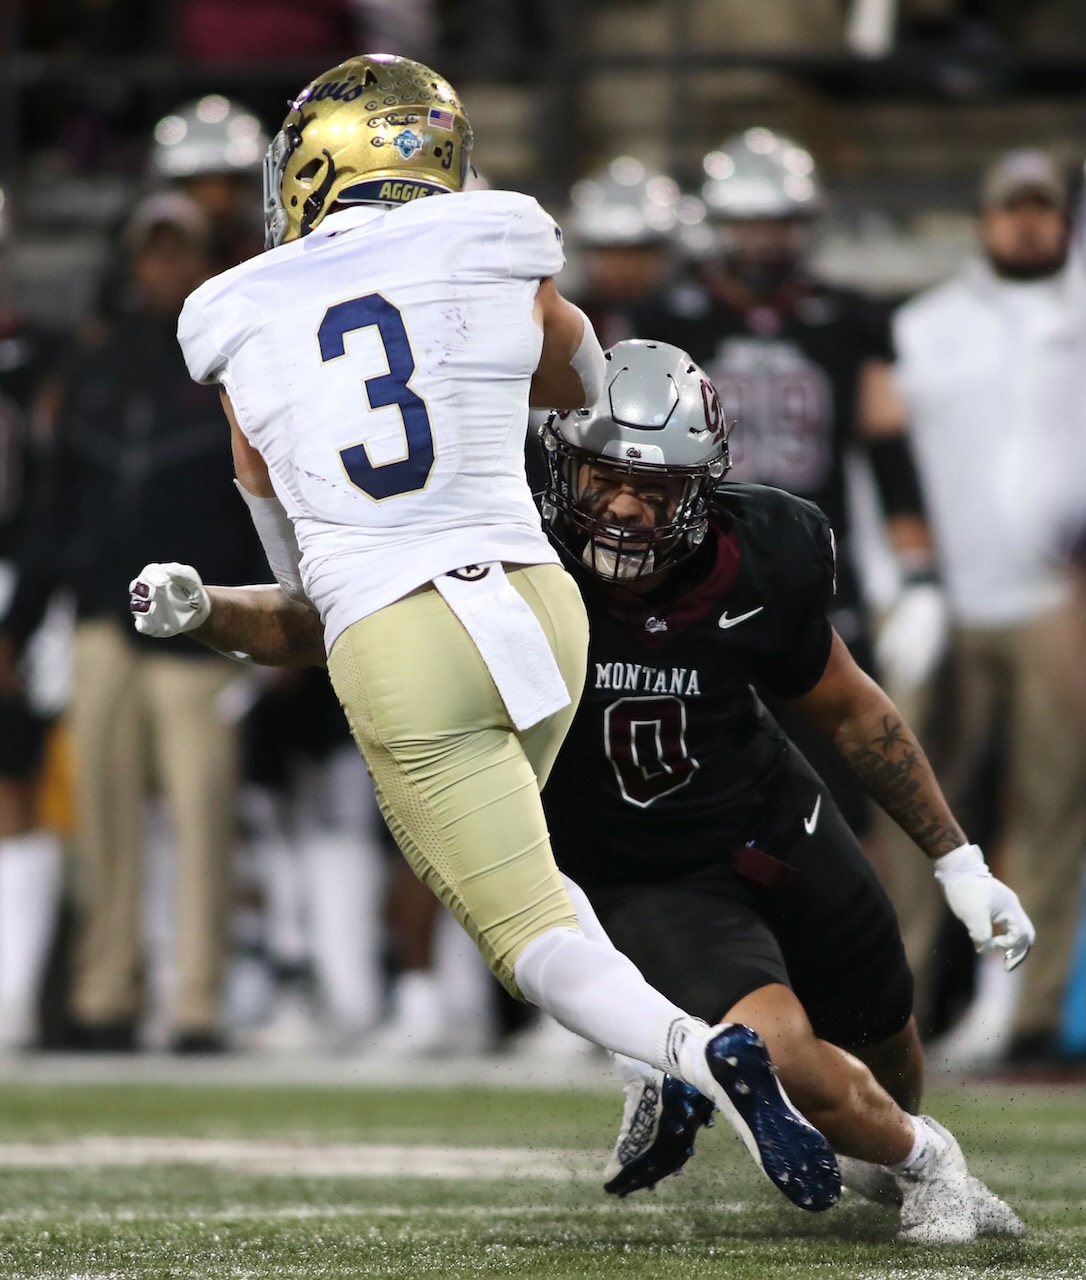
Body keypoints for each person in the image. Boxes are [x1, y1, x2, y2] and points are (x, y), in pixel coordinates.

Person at [132, 339, 1033, 1245]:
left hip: (779, 822)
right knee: (782, 1056)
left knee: (886, 1040)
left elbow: (851, 710)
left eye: (657, 487)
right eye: (605, 478)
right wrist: (209, 611)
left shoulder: (765, 550)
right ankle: (927, 1158)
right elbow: (330, 618)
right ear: (563, 465)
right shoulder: (497, 543)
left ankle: (888, 1147)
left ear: (704, 488)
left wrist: (958, 861)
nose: (627, 507)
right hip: (650, 875)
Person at [160, 52, 842, 1214]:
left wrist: (216, 615)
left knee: (521, 929)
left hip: (400, 628)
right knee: (532, 865)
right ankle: (647, 1061)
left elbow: (300, 584)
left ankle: (697, 1053)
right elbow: (586, 380)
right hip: (539, 601)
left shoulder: (242, 312)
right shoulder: (494, 242)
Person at [630, 128, 948, 850]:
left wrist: (919, 575)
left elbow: (890, 452)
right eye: (748, 222)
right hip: (701, 577)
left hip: (817, 580)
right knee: (699, 793)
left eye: (776, 222)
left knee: (843, 800)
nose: (763, 240)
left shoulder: (848, 319)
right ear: (719, 225)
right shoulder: (666, 320)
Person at [2, 191, 266, 1053]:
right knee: (100, 818)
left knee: (204, 815)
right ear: (133, 262)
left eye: (179, 251)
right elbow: (56, 505)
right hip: (101, 615)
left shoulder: (237, 360)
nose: (165, 268)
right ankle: (103, 995)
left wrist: (266, 617)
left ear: (205, 260)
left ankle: (196, 1003)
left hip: (204, 625)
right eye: (153, 252)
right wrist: (19, 623)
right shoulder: (95, 365)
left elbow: (264, 505)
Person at [892, 148, 1086, 1068]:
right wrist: (904, 579)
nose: (1028, 223)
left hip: (1057, 601)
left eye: (1042, 208)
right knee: (915, 803)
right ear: (984, 219)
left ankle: (1023, 1016)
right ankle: (898, 1003)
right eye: (1013, 208)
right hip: (951, 592)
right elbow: (886, 456)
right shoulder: (926, 324)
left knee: (1053, 807)